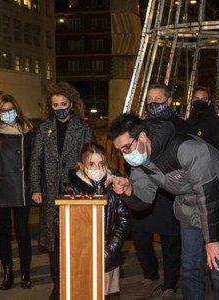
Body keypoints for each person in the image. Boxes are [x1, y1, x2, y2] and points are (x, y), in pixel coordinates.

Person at [106, 113, 219, 300]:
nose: (125, 155)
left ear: (143, 137)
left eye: (127, 148)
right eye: (120, 151)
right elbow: (144, 199)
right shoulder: (141, 159)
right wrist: (129, 191)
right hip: (187, 206)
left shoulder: (187, 149)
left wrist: (211, 241)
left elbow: (208, 194)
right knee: (191, 268)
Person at [29, 81, 95, 300]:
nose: (59, 108)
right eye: (55, 104)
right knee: (53, 243)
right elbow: (35, 159)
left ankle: (74, 285)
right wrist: (35, 187)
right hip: (50, 194)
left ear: (72, 103)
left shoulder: (83, 127)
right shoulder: (43, 128)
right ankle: (58, 288)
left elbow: (91, 160)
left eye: (63, 104)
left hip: (75, 193)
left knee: (74, 241)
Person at [129, 83, 193, 299]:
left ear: (168, 101)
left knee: (171, 242)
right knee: (140, 238)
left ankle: (169, 284)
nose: (153, 102)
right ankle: (151, 275)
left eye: (158, 98)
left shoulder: (182, 126)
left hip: (170, 191)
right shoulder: (139, 127)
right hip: (145, 188)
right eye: (149, 99)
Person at [0, 94, 34, 290]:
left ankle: (26, 272)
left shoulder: (28, 133)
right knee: (4, 233)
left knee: (23, 232)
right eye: (4, 110)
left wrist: (34, 187)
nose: (8, 113)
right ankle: (8, 271)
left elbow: (33, 163)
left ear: (17, 110)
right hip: (0, 190)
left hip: (22, 190)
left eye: (11, 109)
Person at [63, 142, 130, 299]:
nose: (97, 168)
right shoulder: (72, 189)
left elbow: (124, 219)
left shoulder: (114, 187)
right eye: (91, 164)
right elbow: (61, 221)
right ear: (81, 165)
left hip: (108, 255)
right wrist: (80, 250)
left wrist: (109, 251)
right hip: (81, 257)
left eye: (101, 163)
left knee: (107, 293)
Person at [186, 86, 219, 151]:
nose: (199, 102)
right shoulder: (187, 123)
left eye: (203, 99)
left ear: (209, 102)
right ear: (192, 101)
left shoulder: (217, 123)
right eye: (196, 99)